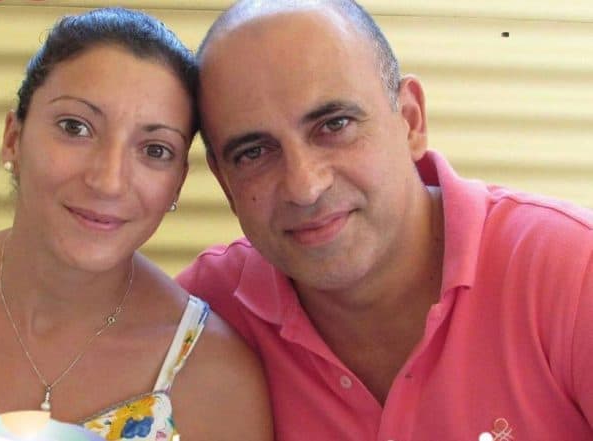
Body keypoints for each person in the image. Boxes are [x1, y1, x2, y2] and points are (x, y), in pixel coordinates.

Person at [177, 0, 593, 439]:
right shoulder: (197, 320)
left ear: (410, 120)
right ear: (225, 182)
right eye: (254, 152)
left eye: (334, 125)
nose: (305, 186)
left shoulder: (570, 274)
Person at [0, 7, 272, 441]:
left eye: (155, 150)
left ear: (177, 183)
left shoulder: (213, 378)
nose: (108, 181)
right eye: (75, 128)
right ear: (13, 138)